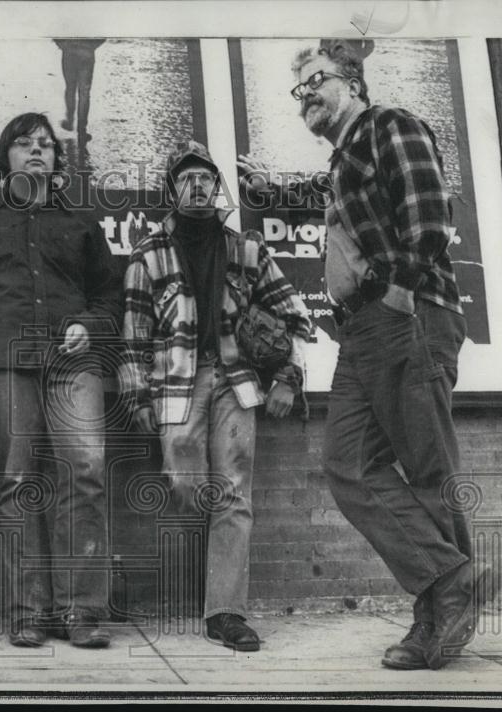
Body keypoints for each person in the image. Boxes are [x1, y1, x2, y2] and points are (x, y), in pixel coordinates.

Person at [239, 41, 489, 670]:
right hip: (362, 332)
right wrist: (269, 189)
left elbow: (430, 215)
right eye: (299, 90)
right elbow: (333, 197)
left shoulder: (390, 126)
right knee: (348, 464)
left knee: (427, 469)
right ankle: (449, 583)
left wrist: (401, 293)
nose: (306, 97)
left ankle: (437, 617)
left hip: (407, 315)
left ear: (351, 82)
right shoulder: (345, 160)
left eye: (315, 81)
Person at [121, 140, 311, 651]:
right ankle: (205, 581)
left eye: (206, 177)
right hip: (176, 384)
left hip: (235, 380)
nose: (198, 185)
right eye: (186, 178)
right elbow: (134, 334)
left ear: (217, 186)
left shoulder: (247, 249)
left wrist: (288, 377)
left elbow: (296, 315)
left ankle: (225, 613)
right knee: (186, 484)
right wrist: (137, 397)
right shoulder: (149, 253)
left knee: (233, 494)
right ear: (172, 190)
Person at [0, 112, 122, 648]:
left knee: (85, 470)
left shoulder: (81, 222)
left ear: (56, 160)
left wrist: (88, 326)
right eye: (24, 143)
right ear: (6, 158)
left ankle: (81, 611)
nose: (37, 150)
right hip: (5, 357)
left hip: (72, 359)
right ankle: (29, 612)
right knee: (18, 478)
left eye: (46, 144)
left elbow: (110, 296)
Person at [54, 39, 106, 142]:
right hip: (86, 53)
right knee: (84, 93)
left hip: (69, 52)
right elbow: (103, 35)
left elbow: (55, 32)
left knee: (70, 88)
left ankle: (69, 121)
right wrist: (91, 47)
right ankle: (82, 131)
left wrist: (63, 45)